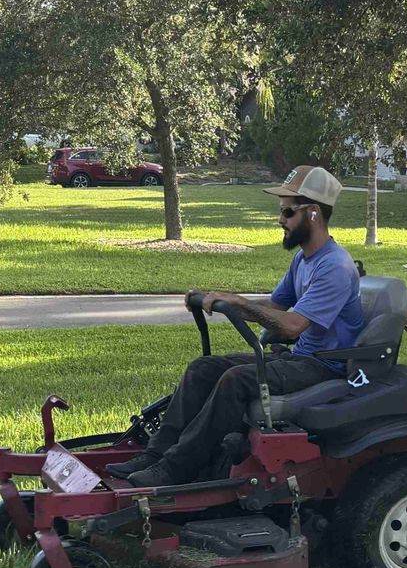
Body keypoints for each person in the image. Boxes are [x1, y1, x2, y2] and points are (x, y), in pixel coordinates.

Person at [110, 164, 365, 486]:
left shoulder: (335, 267)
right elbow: (274, 306)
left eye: (287, 212)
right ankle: (156, 454)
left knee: (235, 379)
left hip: (325, 366)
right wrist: (222, 300)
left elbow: (291, 326)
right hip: (300, 358)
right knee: (203, 368)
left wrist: (239, 304)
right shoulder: (303, 259)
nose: (280, 220)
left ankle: (175, 469)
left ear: (312, 214)